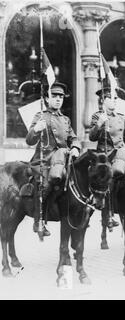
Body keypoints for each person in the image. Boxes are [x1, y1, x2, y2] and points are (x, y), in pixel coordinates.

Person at [21, 82, 81, 237]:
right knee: (46, 183)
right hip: (44, 160)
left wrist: (75, 147)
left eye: (60, 96)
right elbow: (29, 140)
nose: (58, 99)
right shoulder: (40, 117)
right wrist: (36, 129)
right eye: (54, 96)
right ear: (47, 98)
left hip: (63, 159)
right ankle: (39, 220)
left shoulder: (65, 119)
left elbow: (74, 138)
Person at [89, 87, 125, 228]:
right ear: (103, 101)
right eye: (111, 98)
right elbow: (92, 137)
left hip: (121, 152)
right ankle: (108, 213)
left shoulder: (122, 117)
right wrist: (99, 123)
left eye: (116, 98)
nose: (115, 101)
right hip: (104, 155)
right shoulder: (97, 116)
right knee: (109, 177)